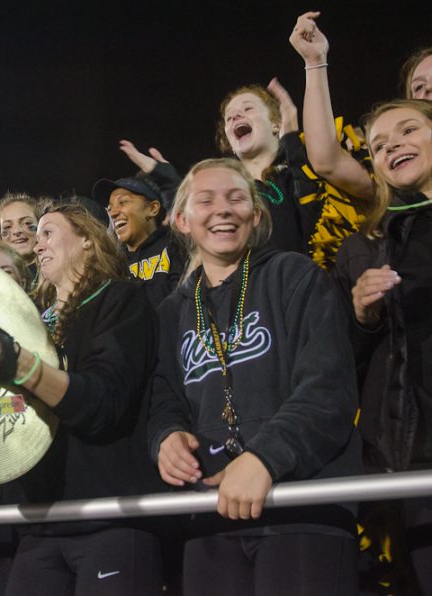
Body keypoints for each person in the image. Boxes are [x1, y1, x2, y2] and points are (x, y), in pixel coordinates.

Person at [148, 158, 362, 595]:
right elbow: (161, 394)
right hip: (210, 513)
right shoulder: (172, 310)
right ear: (183, 221)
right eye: (205, 200)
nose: (222, 209)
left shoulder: (295, 276)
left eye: (236, 198)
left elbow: (328, 389)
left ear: (256, 215)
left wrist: (265, 457)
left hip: (303, 506)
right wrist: (165, 435)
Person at [0, 202, 163, 594]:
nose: (37, 245)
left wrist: (17, 363)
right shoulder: (34, 323)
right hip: (41, 520)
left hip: (108, 513)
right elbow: (11, 412)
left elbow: (103, 403)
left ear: (89, 242)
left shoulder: (121, 300)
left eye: (48, 232)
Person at [335, 99, 432, 591]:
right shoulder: (361, 247)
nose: (392, 144)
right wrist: (361, 315)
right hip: (413, 458)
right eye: (378, 144)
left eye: (408, 129)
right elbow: (342, 365)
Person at [217, 75, 373, 269]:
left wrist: (291, 137)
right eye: (229, 117)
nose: (235, 117)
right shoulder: (229, 196)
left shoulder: (308, 162)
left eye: (248, 108)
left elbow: (314, 221)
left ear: (275, 124)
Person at [92, 174, 186, 308]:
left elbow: (181, 302)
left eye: (122, 202)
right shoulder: (112, 263)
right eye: (110, 208)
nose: (113, 213)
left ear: (152, 208)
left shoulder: (176, 244)